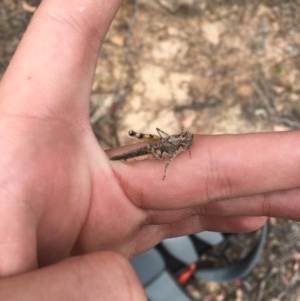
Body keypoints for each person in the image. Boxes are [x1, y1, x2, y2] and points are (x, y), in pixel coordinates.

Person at [0, 0, 299, 299]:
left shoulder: (185, 144)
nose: (188, 143)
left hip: (160, 150)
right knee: (153, 147)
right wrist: (167, 160)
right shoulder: (176, 147)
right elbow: (170, 153)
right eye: (187, 140)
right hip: (157, 149)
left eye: (187, 141)